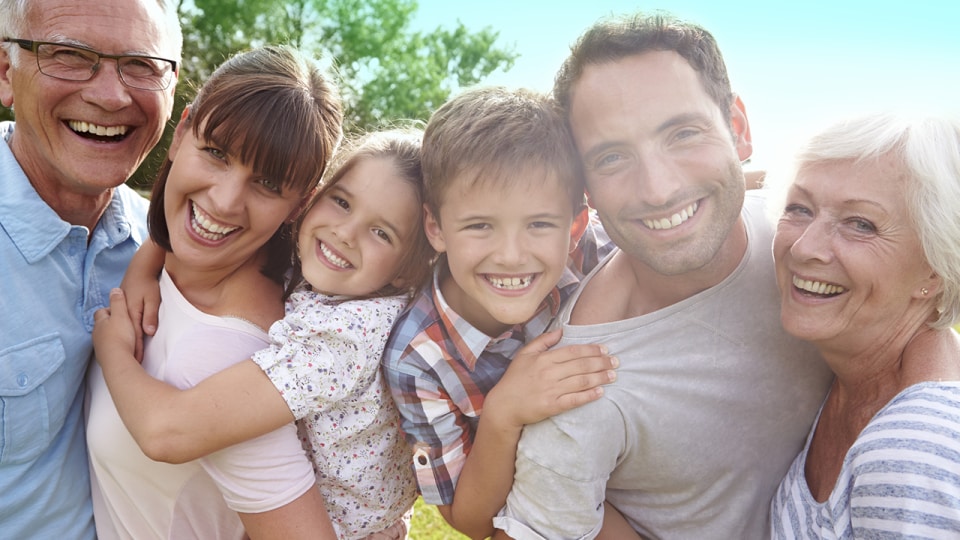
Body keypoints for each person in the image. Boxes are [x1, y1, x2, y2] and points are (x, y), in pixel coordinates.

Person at [493, 12, 834, 539]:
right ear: (585, 188)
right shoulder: (579, 389)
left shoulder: (803, 242)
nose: (657, 189)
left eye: (682, 133)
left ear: (738, 129)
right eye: (611, 157)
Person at [92, 127, 432, 539]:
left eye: (382, 232)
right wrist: (144, 268)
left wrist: (113, 350)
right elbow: (204, 227)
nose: (346, 232)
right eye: (341, 202)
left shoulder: (346, 337)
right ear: (314, 199)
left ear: (408, 270)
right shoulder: (328, 269)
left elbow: (166, 433)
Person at [85, 44, 345, 539]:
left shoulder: (228, 359)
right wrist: (150, 257)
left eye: (268, 183)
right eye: (217, 153)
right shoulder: (161, 259)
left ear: (299, 206)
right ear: (182, 132)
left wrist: (114, 352)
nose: (225, 202)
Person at [382, 85, 621, 539]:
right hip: (541, 511)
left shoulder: (599, 255)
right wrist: (503, 412)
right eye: (479, 226)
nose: (511, 256)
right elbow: (468, 520)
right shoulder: (418, 359)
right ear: (436, 228)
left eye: (538, 224)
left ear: (575, 226)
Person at [0, 0, 181, 537]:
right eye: (69, 55)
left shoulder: (173, 253)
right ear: (6, 74)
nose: (110, 95)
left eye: (142, 64)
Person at [768, 113, 960, 538]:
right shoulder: (849, 371)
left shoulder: (917, 449)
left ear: (935, 270)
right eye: (800, 208)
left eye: (860, 224)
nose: (804, 248)